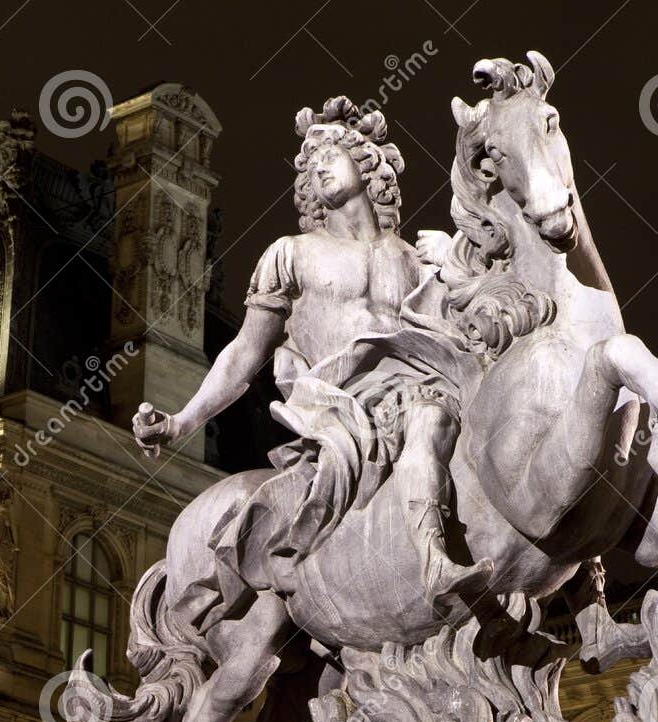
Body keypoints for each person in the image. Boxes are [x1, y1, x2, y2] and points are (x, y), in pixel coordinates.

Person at [133, 97, 488, 612]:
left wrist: (461, 268)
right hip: (341, 409)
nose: (317, 164)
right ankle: (433, 564)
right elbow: (245, 353)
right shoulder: (292, 254)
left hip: (418, 388)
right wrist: (181, 422)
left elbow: (463, 343)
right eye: (309, 160)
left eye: (329, 152)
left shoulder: (413, 259)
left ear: (367, 163)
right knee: (429, 418)